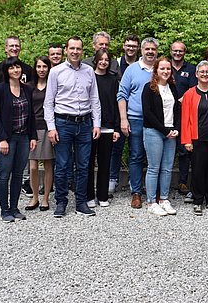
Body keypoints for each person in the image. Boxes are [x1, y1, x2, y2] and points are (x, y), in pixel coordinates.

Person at [44, 36, 101, 218]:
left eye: (78, 48)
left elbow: (94, 99)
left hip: (84, 124)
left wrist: (96, 123)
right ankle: (61, 202)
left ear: (82, 51)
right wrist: (51, 127)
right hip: (63, 124)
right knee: (62, 165)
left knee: (84, 166)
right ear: (66, 50)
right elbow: (48, 102)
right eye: (72, 48)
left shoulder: (89, 71)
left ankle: (81, 202)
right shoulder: (56, 72)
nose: (75, 52)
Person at [0, 36, 34, 201]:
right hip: (4, 127)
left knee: (21, 163)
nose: (14, 48)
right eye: (11, 46)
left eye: (17, 46)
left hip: (22, 129)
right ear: (5, 48)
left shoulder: (26, 69)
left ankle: (23, 185)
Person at [0, 57, 37, 222]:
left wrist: (33, 136)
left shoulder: (27, 89)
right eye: (11, 68)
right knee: (4, 174)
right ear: (6, 71)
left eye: (17, 67)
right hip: (6, 139)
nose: (15, 70)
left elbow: (31, 115)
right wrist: (2, 139)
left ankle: (15, 207)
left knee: (18, 174)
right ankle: (5, 210)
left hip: (24, 137)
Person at [117, 37, 158, 209]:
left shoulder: (161, 68)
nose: (150, 52)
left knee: (154, 158)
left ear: (157, 51)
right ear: (142, 51)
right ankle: (136, 192)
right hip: (135, 118)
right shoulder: (132, 70)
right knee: (136, 156)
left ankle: (153, 192)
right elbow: (122, 94)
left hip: (157, 121)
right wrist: (123, 119)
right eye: (147, 49)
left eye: (153, 49)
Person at [181, 61, 208, 215]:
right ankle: (198, 200)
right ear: (197, 74)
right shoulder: (189, 94)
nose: (205, 74)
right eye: (202, 72)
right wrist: (186, 140)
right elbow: (185, 118)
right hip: (197, 138)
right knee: (198, 170)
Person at [142, 56, 181, 216]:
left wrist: (176, 129)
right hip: (154, 132)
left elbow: (178, 109)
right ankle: (151, 202)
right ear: (156, 70)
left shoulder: (172, 87)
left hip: (171, 133)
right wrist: (165, 130)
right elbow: (148, 114)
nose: (165, 71)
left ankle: (164, 199)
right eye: (162, 68)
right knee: (154, 168)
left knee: (167, 168)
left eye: (168, 69)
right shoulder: (149, 88)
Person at [87, 48, 120, 209]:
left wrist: (116, 128)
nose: (103, 62)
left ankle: (102, 195)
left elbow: (116, 103)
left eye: (107, 59)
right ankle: (89, 195)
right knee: (88, 162)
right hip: (90, 126)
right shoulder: (88, 77)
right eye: (101, 59)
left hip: (108, 126)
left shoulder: (113, 79)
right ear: (96, 60)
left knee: (105, 162)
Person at [109, 34, 140, 195]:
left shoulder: (143, 65)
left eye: (134, 46)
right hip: (117, 112)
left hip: (136, 113)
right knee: (116, 148)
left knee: (136, 150)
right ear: (123, 46)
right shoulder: (115, 64)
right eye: (128, 45)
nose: (131, 48)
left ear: (138, 48)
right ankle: (112, 178)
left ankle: (133, 180)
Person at [170, 41, 197, 197]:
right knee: (166, 148)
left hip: (184, 114)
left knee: (184, 150)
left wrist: (183, 99)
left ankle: (183, 181)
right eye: (175, 51)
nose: (178, 53)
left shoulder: (191, 69)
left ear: (184, 52)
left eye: (180, 51)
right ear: (171, 51)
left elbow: (194, 89)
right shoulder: (165, 66)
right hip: (166, 114)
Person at [26, 56, 54, 212]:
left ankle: (45, 198)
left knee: (48, 163)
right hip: (32, 128)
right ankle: (35, 196)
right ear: (35, 68)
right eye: (39, 67)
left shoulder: (53, 85)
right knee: (33, 165)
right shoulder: (29, 87)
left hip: (47, 126)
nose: (42, 70)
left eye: (44, 66)